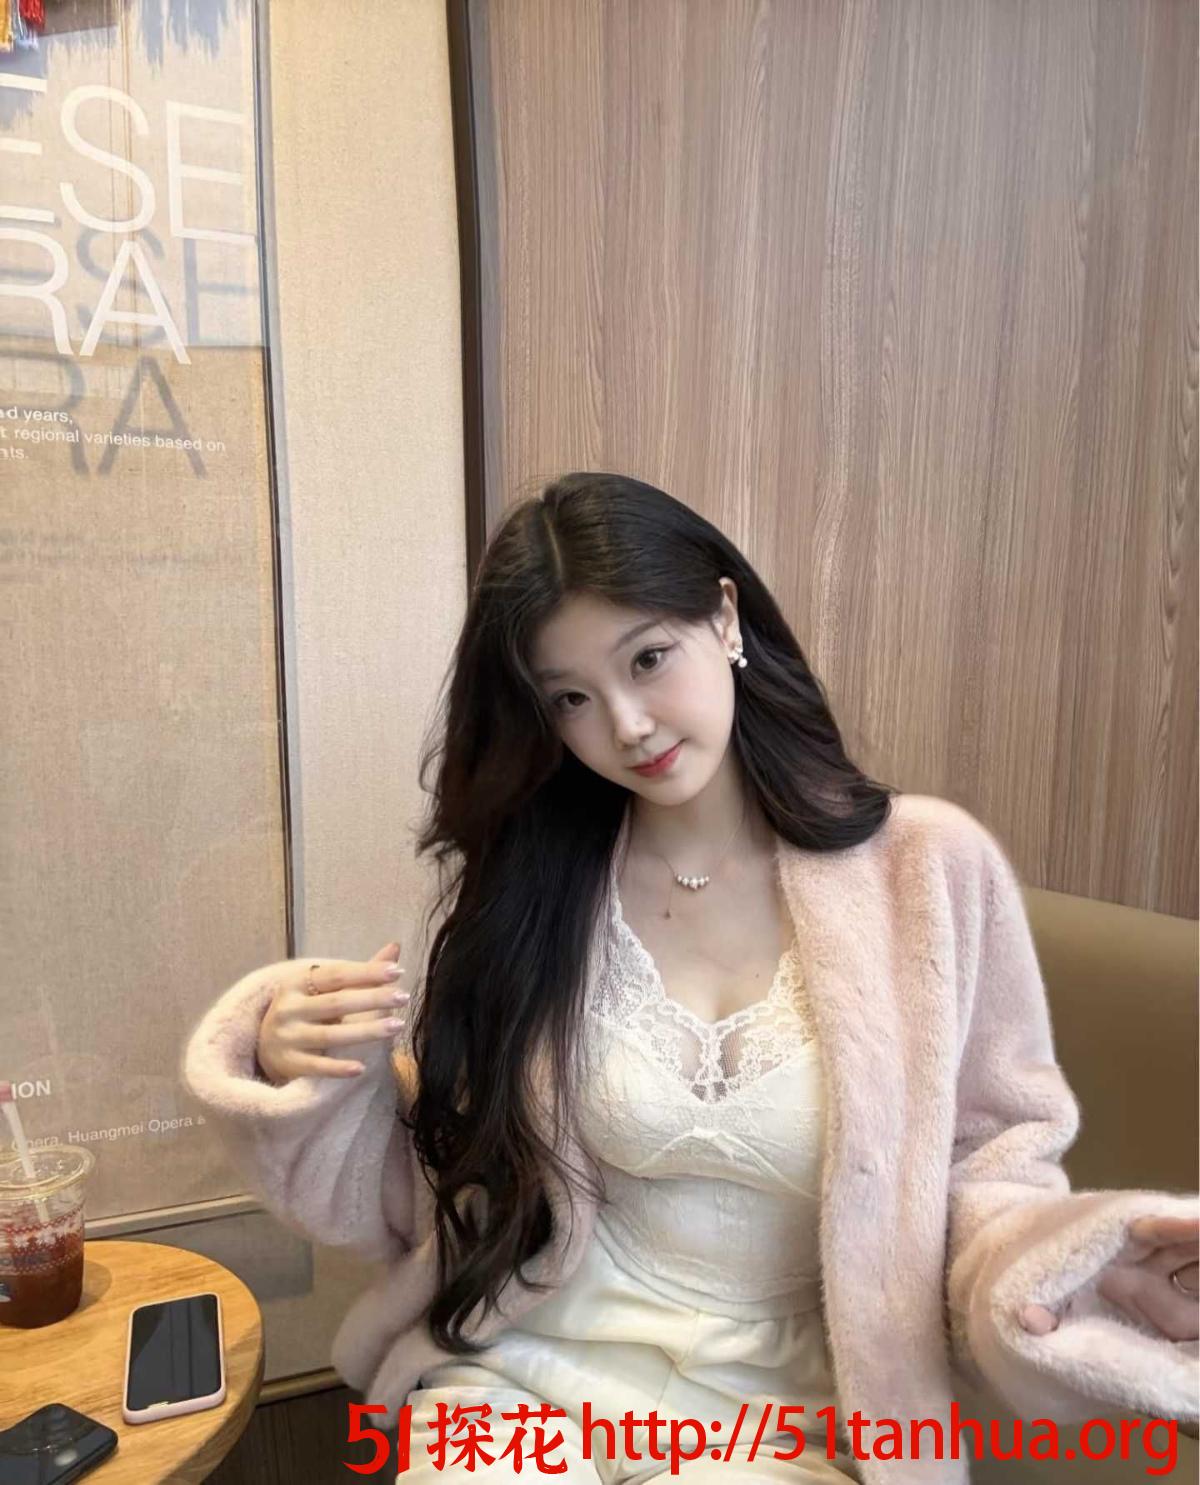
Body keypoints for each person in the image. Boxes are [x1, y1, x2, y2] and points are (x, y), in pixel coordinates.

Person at [181, 473, 1198, 1484]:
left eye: (648, 659)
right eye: (571, 698)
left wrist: (1069, 1259)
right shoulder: (540, 888)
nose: (626, 723)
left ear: (724, 616)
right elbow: (438, 1188)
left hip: (793, 1416)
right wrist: (307, 1071)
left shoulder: (926, 871)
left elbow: (987, 1170)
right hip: (529, 1376)